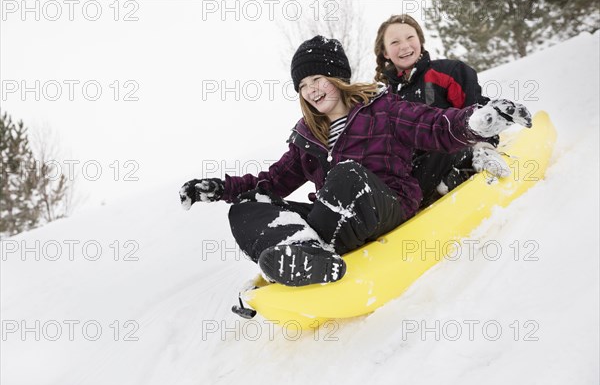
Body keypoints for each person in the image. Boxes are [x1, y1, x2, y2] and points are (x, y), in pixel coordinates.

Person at [179, 36, 531, 287]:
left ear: (337, 79)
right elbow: (270, 183)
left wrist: (478, 120)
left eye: (318, 79)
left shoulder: (383, 108)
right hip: (332, 222)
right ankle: (302, 255)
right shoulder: (308, 134)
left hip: (384, 205)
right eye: (303, 85)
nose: (312, 90)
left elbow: (435, 126)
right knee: (246, 206)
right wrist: (221, 189)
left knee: (347, 174)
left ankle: (311, 257)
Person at [374, 14, 510, 206]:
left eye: (410, 38)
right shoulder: (385, 98)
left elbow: (477, 112)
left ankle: (456, 177)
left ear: (420, 40)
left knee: (446, 140)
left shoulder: (449, 72)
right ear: (385, 52)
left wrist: (484, 146)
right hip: (411, 176)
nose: (404, 46)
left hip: (450, 152)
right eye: (395, 42)